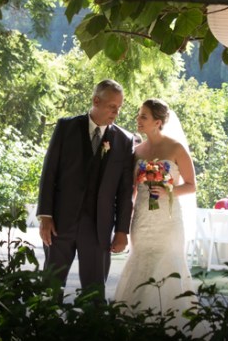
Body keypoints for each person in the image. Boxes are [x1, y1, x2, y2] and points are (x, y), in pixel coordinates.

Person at [36, 79, 136, 303]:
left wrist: (122, 231)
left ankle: (92, 334)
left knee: (94, 291)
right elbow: (49, 173)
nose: (116, 112)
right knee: (50, 286)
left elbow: (125, 190)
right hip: (60, 223)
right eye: (112, 106)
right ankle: (43, 329)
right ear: (95, 100)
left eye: (119, 107)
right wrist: (45, 216)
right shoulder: (66, 127)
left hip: (98, 227)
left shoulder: (124, 140)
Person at [113, 98, 197, 326]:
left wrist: (168, 189)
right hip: (142, 220)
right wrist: (123, 221)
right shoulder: (137, 151)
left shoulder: (176, 148)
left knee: (167, 263)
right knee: (140, 263)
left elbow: (191, 185)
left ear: (157, 122)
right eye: (139, 115)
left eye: (144, 116)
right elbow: (131, 191)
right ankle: (135, 322)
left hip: (168, 222)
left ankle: (172, 324)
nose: (138, 119)